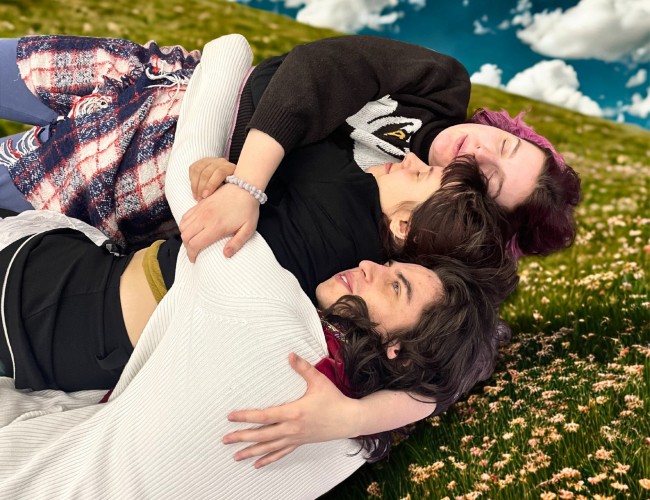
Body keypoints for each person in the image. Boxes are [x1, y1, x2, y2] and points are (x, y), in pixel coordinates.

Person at [0, 39, 509, 497]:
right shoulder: (347, 423)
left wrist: (243, 178)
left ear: (404, 227)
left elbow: (245, 63)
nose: (414, 159)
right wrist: (358, 417)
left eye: (424, 177)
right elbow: (455, 367)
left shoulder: (271, 283)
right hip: (80, 361)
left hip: (48, 290)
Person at [0, 33, 580, 261]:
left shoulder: (394, 213)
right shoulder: (441, 85)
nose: (479, 149)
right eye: (505, 144)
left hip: (138, 174)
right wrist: (248, 181)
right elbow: (320, 67)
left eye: (488, 177)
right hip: (161, 81)